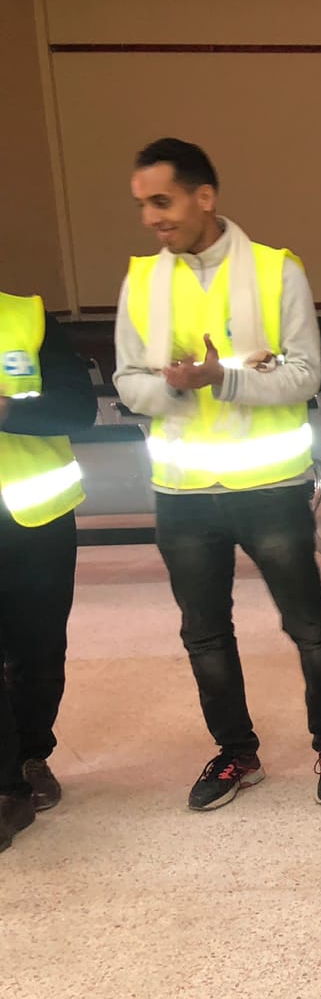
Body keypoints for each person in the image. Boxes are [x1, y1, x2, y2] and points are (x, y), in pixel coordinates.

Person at [113, 137, 321, 811]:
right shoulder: (142, 280)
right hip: (182, 493)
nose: (151, 218)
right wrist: (174, 387)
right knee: (204, 635)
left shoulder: (277, 270)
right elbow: (127, 381)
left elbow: (303, 375)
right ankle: (236, 753)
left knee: (310, 628)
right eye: (142, 205)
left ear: (204, 197)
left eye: (162, 201)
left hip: (269, 487)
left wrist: (221, 378)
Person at [0, 289, 95, 851]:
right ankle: (6, 782)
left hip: (36, 516)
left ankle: (32, 754)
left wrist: (7, 410)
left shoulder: (29, 318)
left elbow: (77, 408)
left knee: (39, 651)